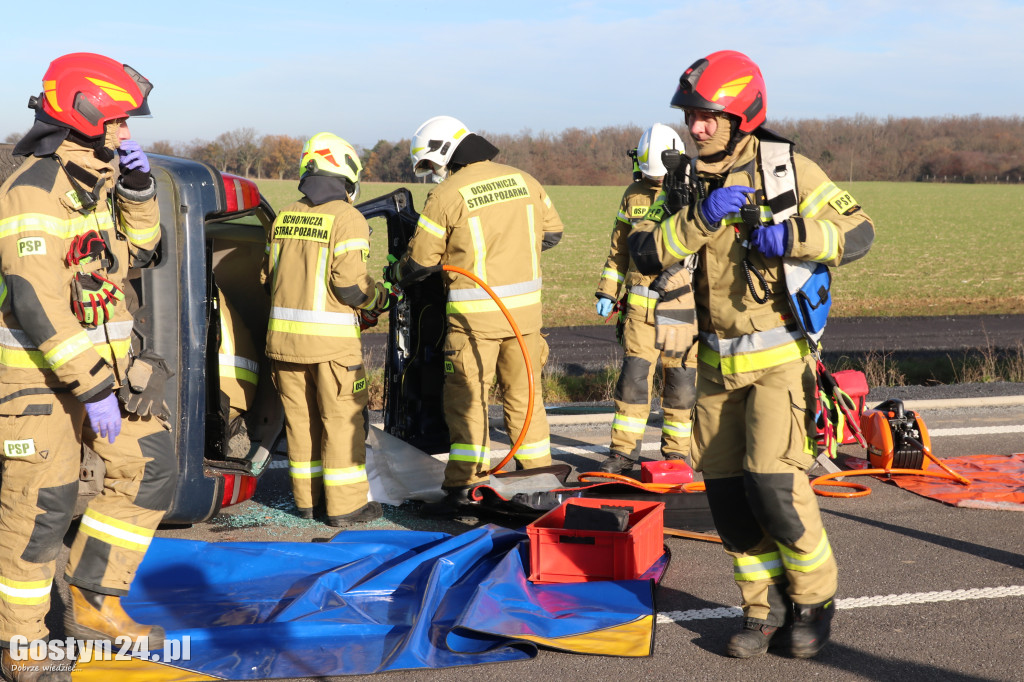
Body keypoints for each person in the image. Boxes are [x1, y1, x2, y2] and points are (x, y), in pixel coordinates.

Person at [628, 50, 874, 659]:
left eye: (708, 116)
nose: (696, 127)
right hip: (712, 364)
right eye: (691, 115)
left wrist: (794, 236)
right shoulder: (684, 180)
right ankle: (760, 610)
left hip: (778, 360)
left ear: (743, 116)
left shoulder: (787, 169)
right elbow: (645, 252)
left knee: (775, 486)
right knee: (730, 500)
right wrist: (697, 218)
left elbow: (860, 232)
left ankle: (812, 601)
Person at [0, 53, 173, 681]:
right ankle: (21, 645)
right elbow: (36, 302)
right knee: (41, 507)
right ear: (86, 114)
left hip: (101, 372)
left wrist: (139, 193)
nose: (126, 132)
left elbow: (141, 254)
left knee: (151, 467)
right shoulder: (32, 189)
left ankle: (94, 603)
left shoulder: (96, 181)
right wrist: (95, 385)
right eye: (120, 121)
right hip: (39, 379)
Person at [387, 116, 564, 516]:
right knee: (526, 399)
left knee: (468, 401)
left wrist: (394, 274)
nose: (434, 173)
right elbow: (552, 233)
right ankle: (539, 482)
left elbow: (420, 261)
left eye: (431, 165)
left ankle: (464, 487)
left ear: (443, 153)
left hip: (473, 323)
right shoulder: (525, 180)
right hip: (525, 319)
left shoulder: (447, 194)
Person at [261, 133, 389, 527]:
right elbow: (350, 285)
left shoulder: (285, 216)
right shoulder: (347, 218)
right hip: (332, 349)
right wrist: (380, 298)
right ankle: (345, 507)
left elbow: (266, 277)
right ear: (346, 173)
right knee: (341, 422)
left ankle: (307, 502)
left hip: (283, 345)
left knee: (301, 424)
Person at [594, 123, 699, 474]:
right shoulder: (633, 194)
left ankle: (676, 455)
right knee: (633, 382)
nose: (654, 180)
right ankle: (622, 454)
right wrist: (608, 291)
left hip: (682, 309)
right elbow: (619, 251)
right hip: (640, 311)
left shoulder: (696, 190)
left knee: (680, 385)